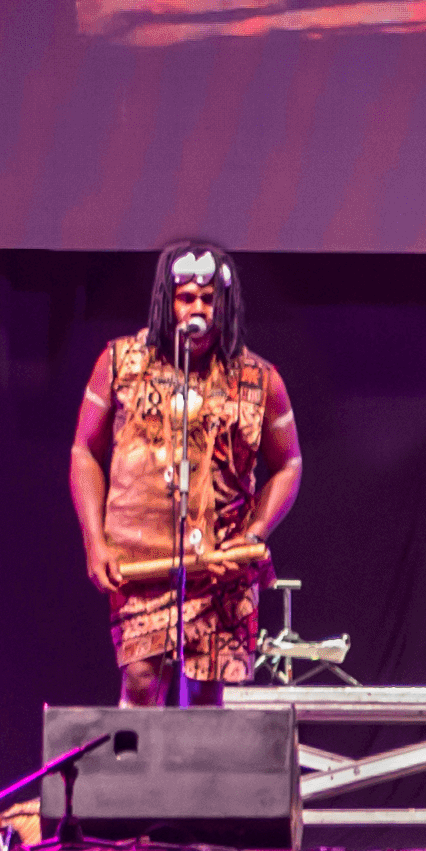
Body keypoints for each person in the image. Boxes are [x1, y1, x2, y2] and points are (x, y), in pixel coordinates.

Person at [66, 242, 300, 707]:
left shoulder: (259, 378)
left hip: (222, 568)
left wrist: (254, 534)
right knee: (140, 681)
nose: (197, 309)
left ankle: (198, 780)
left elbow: (289, 464)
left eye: (208, 298)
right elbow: (83, 452)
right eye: (185, 297)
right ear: (165, 301)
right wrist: (95, 541)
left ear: (225, 303)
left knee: (207, 696)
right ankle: (135, 781)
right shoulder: (119, 364)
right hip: (141, 563)